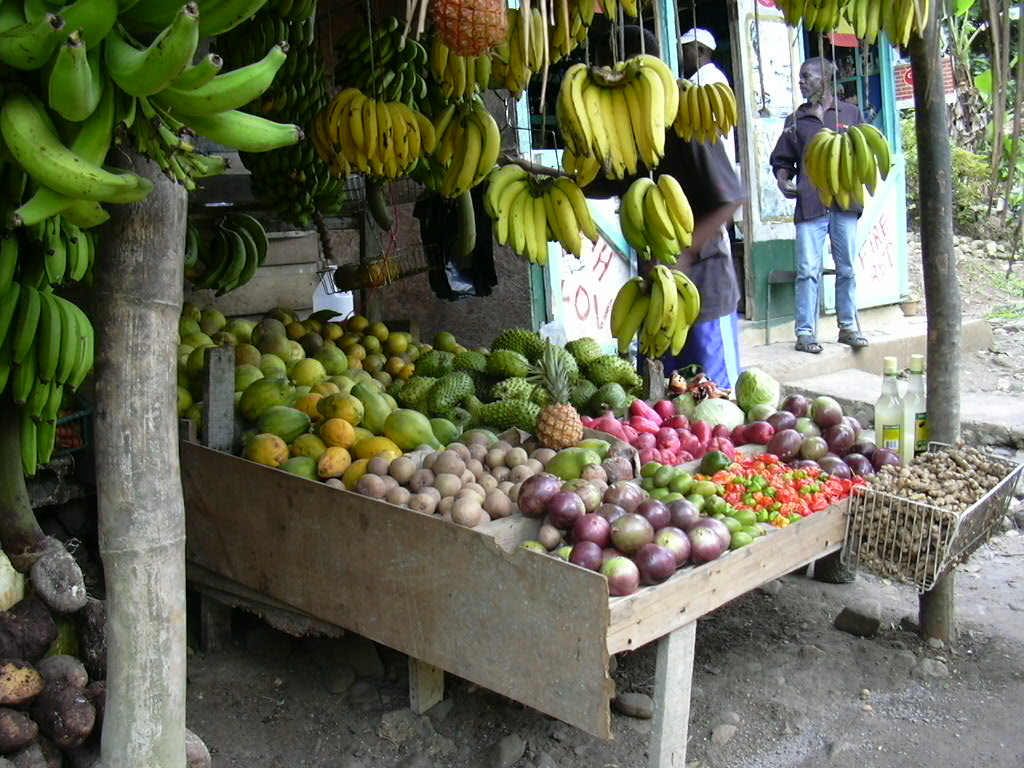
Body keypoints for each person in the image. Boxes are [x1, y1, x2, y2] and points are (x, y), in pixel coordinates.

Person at [583, 26, 746, 391]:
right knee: (662, 409)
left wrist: (684, 255)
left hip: (703, 295)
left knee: (716, 405)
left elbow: (730, 197)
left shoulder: (685, 119)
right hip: (653, 295)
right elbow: (605, 182)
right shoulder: (629, 131)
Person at [769, 56, 869, 354]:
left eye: (807, 76)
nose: (801, 81)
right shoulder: (796, 120)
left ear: (825, 78)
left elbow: (866, 153)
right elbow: (782, 159)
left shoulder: (850, 113)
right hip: (810, 203)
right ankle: (805, 332)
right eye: (800, 77)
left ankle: (848, 327)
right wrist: (783, 179)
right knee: (807, 271)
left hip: (845, 202)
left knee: (847, 269)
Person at [679, 27, 735, 168]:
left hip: (714, 166)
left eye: (685, 50)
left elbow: (714, 128)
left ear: (700, 51)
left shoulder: (711, 80)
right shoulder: (696, 81)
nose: (681, 55)